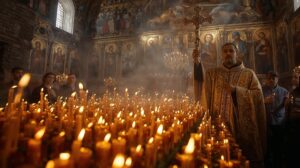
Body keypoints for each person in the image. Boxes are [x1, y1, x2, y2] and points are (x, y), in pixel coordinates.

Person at [205, 43, 266, 167]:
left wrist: (236, 91)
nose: (228, 53)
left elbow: (258, 96)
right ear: (221, 54)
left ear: (237, 54)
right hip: (218, 126)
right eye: (225, 51)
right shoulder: (213, 74)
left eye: (231, 51)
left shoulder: (248, 74)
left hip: (242, 129)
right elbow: (204, 96)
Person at [262, 71, 289, 168]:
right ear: (266, 79)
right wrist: (264, 101)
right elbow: (257, 102)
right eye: (269, 78)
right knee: (268, 147)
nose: (271, 80)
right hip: (267, 122)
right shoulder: (262, 90)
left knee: (279, 147)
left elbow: (287, 106)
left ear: (278, 79)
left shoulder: (284, 91)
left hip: (279, 123)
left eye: (273, 78)